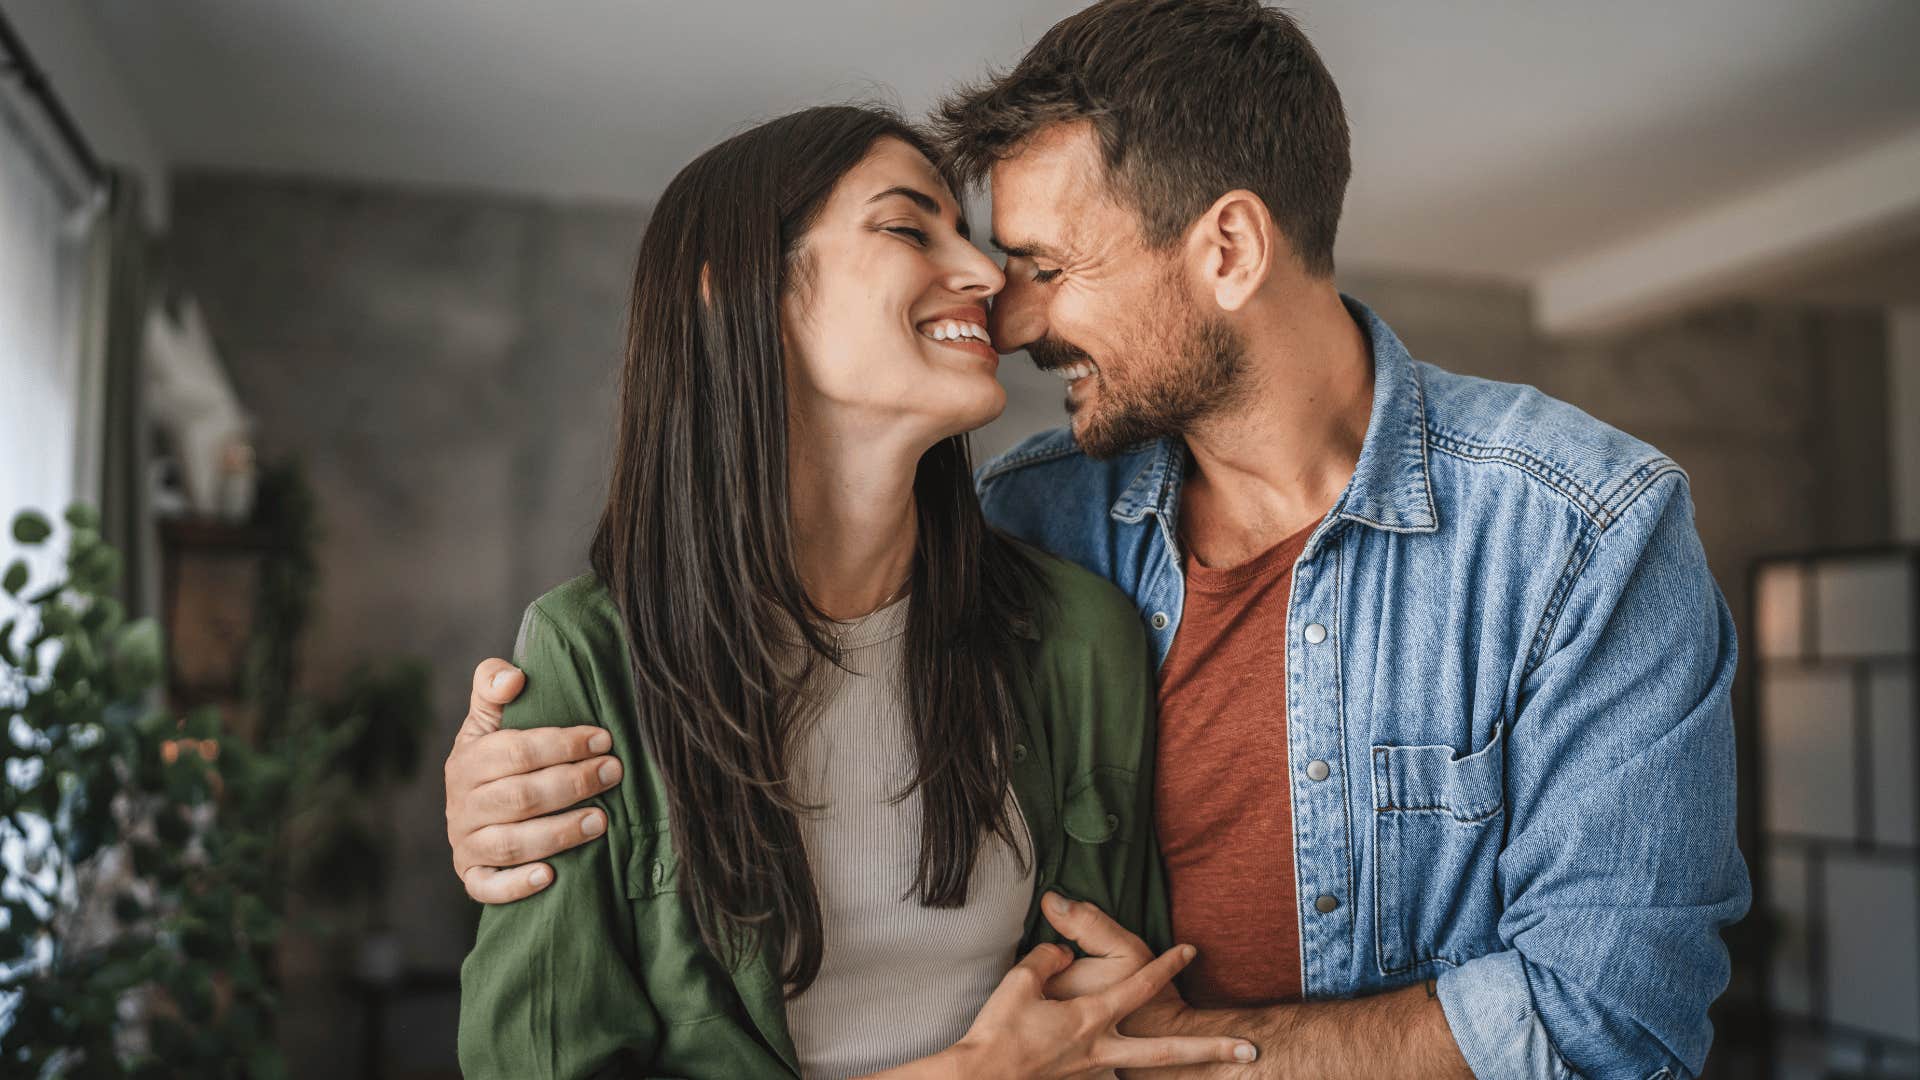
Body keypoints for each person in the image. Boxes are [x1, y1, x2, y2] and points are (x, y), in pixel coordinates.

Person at [448, 2, 1750, 1077]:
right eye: (956, 245)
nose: (1007, 316)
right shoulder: (1030, 519)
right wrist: (505, 804)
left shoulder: (1582, 535)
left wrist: (1182, 1046)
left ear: (1228, 247)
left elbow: (1615, 1026)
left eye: (1046, 267)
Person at [454, 104, 1258, 1079]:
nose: (986, 275)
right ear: (735, 293)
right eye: (908, 227)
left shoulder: (1076, 635)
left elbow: (1112, 1023)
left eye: (962, 233)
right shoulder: (586, 657)